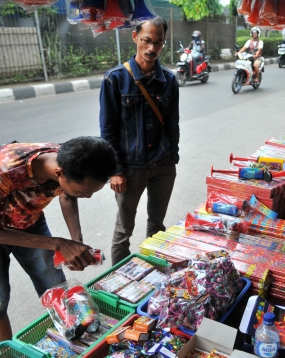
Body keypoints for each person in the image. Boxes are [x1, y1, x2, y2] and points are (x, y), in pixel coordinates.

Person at [0, 136, 118, 343]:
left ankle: (74, 340)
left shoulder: (69, 159)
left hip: (29, 218)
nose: (88, 197)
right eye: (85, 191)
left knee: (55, 287)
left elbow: (67, 194)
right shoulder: (4, 171)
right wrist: (58, 243)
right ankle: (7, 352)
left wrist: (76, 243)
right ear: (59, 174)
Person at [99, 16, 180, 266]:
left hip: (163, 166)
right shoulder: (115, 79)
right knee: (124, 230)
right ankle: (119, 281)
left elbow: (172, 124)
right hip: (130, 168)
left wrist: (172, 159)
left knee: (157, 226)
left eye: (158, 43)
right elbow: (108, 130)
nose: (152, 48)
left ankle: (152, 272)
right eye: (147, 41)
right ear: (135, 38)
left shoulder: (169, 80)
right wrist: (116, 171)